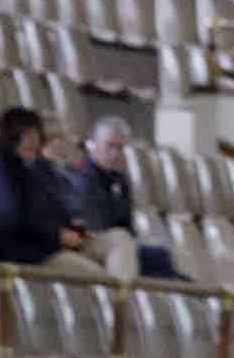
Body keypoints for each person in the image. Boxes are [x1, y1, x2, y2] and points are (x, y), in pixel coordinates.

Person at [0, 107, 107, 278]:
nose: (34, 141)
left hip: (49, 249)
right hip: (29, 256)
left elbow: (49, 214)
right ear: (11, 136)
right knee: (101, 279)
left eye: (36, 134)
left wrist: (73, 230)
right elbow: (11, 220)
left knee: (118, 244)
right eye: (27, 134)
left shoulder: (33, 172)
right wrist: (56, 236)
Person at [67, 116, 185, 281]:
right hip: (97, 241)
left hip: (121, 241)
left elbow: (127, 223)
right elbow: (95, 223)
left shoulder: (119, 179)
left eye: (120, 148)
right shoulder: (82, 177)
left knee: (163, 258)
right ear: (94, 144)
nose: (115, 154)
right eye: (110, 146)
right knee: (156, 260)